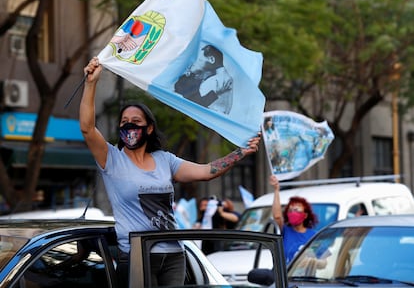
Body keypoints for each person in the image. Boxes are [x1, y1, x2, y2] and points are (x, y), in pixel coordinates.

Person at [80, 57, 261, 287]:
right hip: (139, 255)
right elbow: (87, 128)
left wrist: (240, 153)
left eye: (136, 121)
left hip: (174, 254)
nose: (129, 126)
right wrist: (91, 83)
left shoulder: (165, 160)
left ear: (149, 128)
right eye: (124, 122)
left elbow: (206, 171)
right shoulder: (112, 158)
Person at [269, 174, 318, 264]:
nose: (293, 212)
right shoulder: (285, 231)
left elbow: (325, 262)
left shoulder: (314, 235)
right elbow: (277, 216)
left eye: (296, 209)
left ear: (305, 215)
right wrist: (276, 190)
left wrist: (313, 262)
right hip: (285, 277)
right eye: (290, 210)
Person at [174, 44, 233, 114]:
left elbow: (196, 105)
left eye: (199, 59)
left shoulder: (213, 81)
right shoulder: (224, 76)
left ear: (211, 59)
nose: (195, 62)